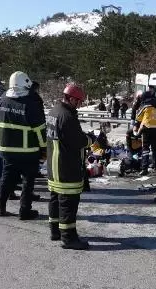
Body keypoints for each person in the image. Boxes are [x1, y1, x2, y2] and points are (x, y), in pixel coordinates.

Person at [46, 83, 96, 249]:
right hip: (66, 167)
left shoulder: (54, 111)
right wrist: (91, 139)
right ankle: (69, 238)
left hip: (54, 167)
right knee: (68, 203)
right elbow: (78, 141)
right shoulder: (67, 116)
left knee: (55, 200)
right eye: (79, 101)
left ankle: (55, 231)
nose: (80, 105)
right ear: (72, 99)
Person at [0, 71, 46, 220]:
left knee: (6, 178)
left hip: (6, 151)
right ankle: (24, 211)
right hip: (28, 151)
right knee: (28, 181)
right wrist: (44, 148)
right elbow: (40, 128)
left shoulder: (2, 100)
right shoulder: (30, 102)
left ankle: (0, 207)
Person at [132, 85, 156, 175]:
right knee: (155, 148)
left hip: (147, 128)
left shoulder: (145, 106)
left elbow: (139, 118)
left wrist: (135, 127)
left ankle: (144, 168)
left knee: (145, 148)